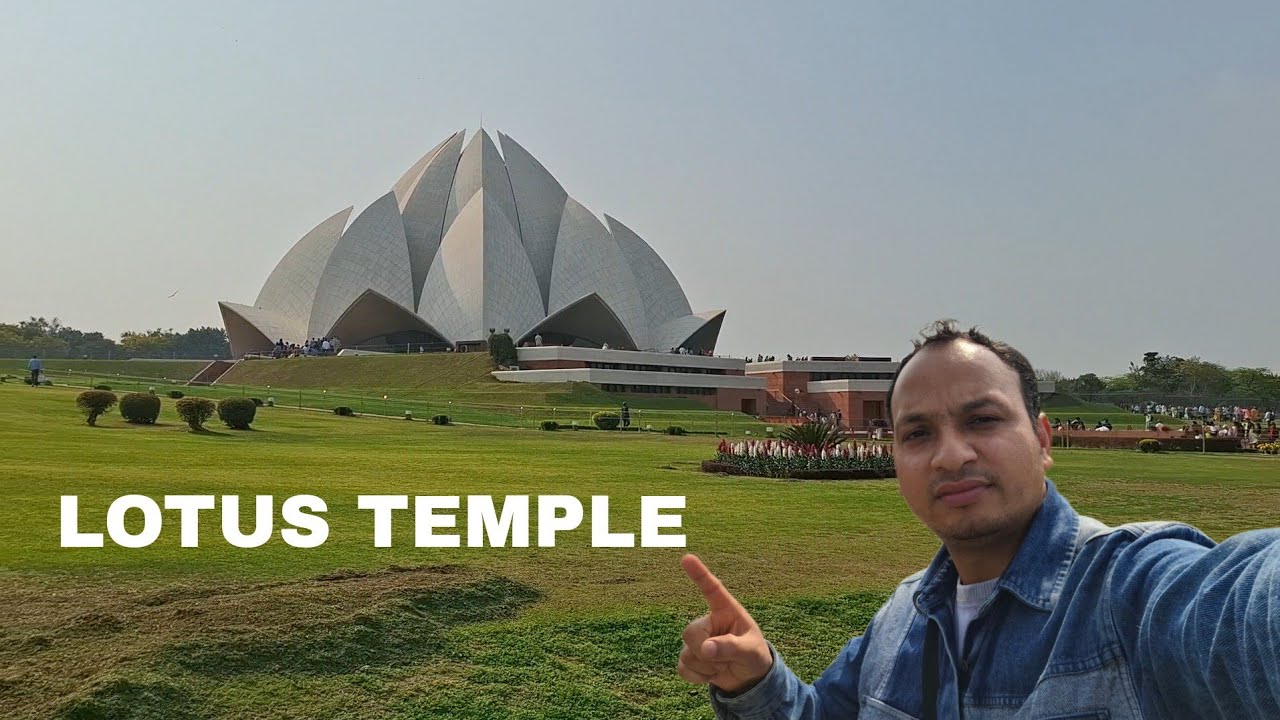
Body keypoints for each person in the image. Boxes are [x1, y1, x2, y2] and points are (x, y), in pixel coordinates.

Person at [678, 320, 1280, 718]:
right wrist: (755, 681)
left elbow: (1245, 612)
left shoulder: (1129, 591)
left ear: (1043, 439)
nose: (951, 454)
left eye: (983, 420)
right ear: (897, 458)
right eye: (918, 433)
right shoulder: (901, 620)